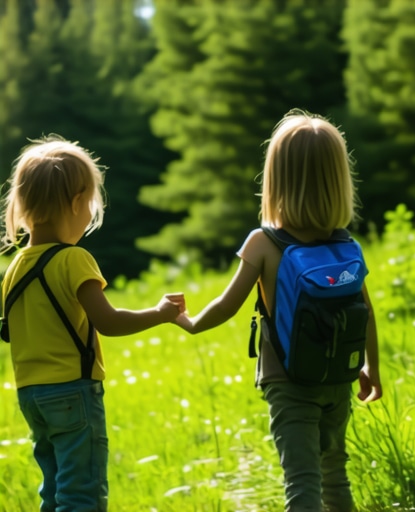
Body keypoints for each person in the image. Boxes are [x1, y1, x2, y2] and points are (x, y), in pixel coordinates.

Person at [174, 109, 382, 512]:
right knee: (335, 473)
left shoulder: (263, 244)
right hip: (339, 376)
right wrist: (372, 367)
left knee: (302, 483)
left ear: (276, 179)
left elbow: (226, 306)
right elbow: (367, 311)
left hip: (288, 381)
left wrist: (190, 323)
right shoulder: (345, 246)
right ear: (339, 180)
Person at [0, 134, 184, 512]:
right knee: (82, 493)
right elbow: (109, 321)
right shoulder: (74, 260)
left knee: (54, 491)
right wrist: (160, 313)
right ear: (75, 203)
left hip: (31, 395)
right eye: (90, 204)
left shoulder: (15, 267)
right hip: (73, 391)